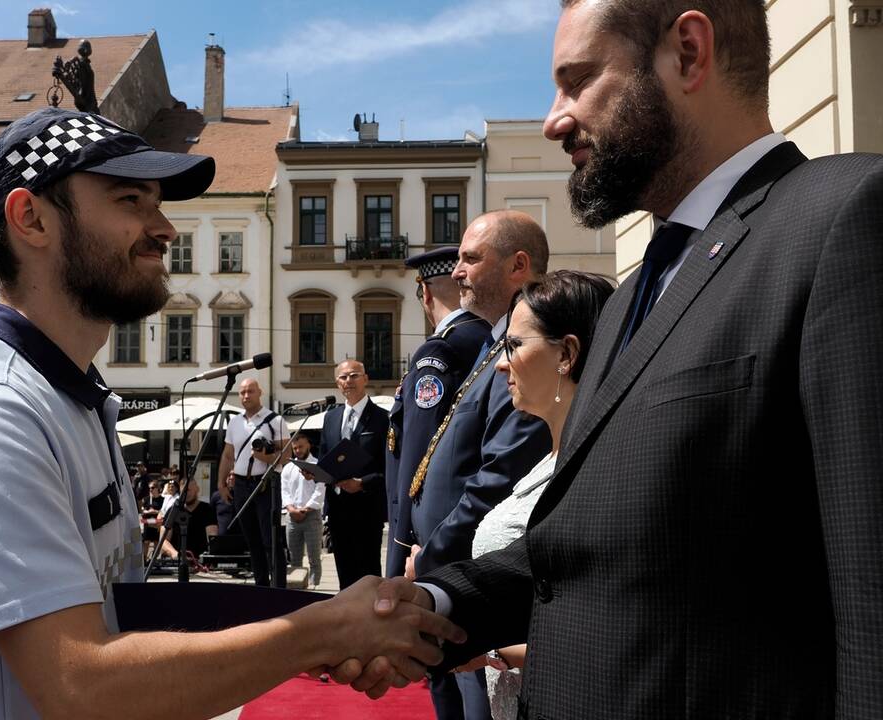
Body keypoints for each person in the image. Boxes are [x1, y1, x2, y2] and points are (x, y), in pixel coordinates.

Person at [364, 1, 883, 717]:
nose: (554, 120)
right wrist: (428, 604)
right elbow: (579, 554)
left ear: (688, 53)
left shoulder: (843, 218)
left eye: (578, 82)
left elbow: (871, 598)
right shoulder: (633, 294)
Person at [0, 106, 463, 718]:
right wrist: (322, 633)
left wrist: (312, 622)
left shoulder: (67, 397)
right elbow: (82, 689)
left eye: (157, 205)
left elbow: (117, 617)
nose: (164, 229)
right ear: (31, 218)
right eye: (130, 201)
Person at [406, 210, 553, 719]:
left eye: (471, 258)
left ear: (517, 265)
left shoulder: (528, 352)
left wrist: (431, 559)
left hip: (480, 576)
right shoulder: (492, 345)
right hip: (456, 570)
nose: (457, 272)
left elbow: (498, 476)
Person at [454, 271, 614, 720]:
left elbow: (601, 630)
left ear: (566, 354)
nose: (501, 364)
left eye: (514, 345)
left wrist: (490, 649)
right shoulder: (547, 460)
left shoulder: (601, 472)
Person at [385, 246, 490, 579]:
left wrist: (400, 548)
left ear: (426, 294)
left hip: (427, 540)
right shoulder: (489, 338)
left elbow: (417, 456)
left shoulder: (440, 349)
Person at [318, 360, 389, 589]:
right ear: (337, 383)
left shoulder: (383, 418)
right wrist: (314, 472)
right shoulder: (330, 417)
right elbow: (325, 458)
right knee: (344, 573)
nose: (348, 381)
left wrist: (363, 483)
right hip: (337, 508)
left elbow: (391, 467)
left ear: (365, 379)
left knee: (368, 573)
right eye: (343, 377)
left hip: (368, 508)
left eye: (354, 375)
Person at [217, 378, 290, 587]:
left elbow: (286, 456)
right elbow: (228, 455)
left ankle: (279, 588)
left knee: (271, 540)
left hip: (266, 484)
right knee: (252, 541)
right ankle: (261, 587)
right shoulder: (235, 422)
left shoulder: (275, 420)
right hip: (241, 485)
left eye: (250, 391)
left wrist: (264, 457)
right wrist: (221, 484)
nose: (246, 395)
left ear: (260, 392)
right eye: (242, 392)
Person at [280, 432, 325, 588]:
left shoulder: (317, 465)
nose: (298, 450)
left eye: (301, 447)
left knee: (314, 557)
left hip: (311, 515)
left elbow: (320, 490)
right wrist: (291, 509)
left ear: (308, 445)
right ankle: (297, 586)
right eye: (295, 448)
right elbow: (285, 491)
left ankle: (315, 586)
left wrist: (305, 509)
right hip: (292, 516)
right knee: (294, 557)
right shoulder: (288, 468)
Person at [160, 477, 218, 561]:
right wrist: (175, 554)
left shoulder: (207, 510)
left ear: (197, 489)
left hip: (199, 562)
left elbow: (212, 538)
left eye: (188, 490)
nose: (186, 494)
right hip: (176, 562)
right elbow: (163, 540)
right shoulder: (173, 511)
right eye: (183, 491)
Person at [140, 480, 166, 563]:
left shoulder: (162, 500)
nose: (150, 489)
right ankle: (144, 560)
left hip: (157, 523)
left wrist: (156, 511)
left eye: (152, 488)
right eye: (149, 488)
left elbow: (164, 511)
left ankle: (153, 560)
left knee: (156, 542)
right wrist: (148, 512)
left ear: (158, 488)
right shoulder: (146, 499)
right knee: (146, 542)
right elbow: (142, 511)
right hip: (148, 522)